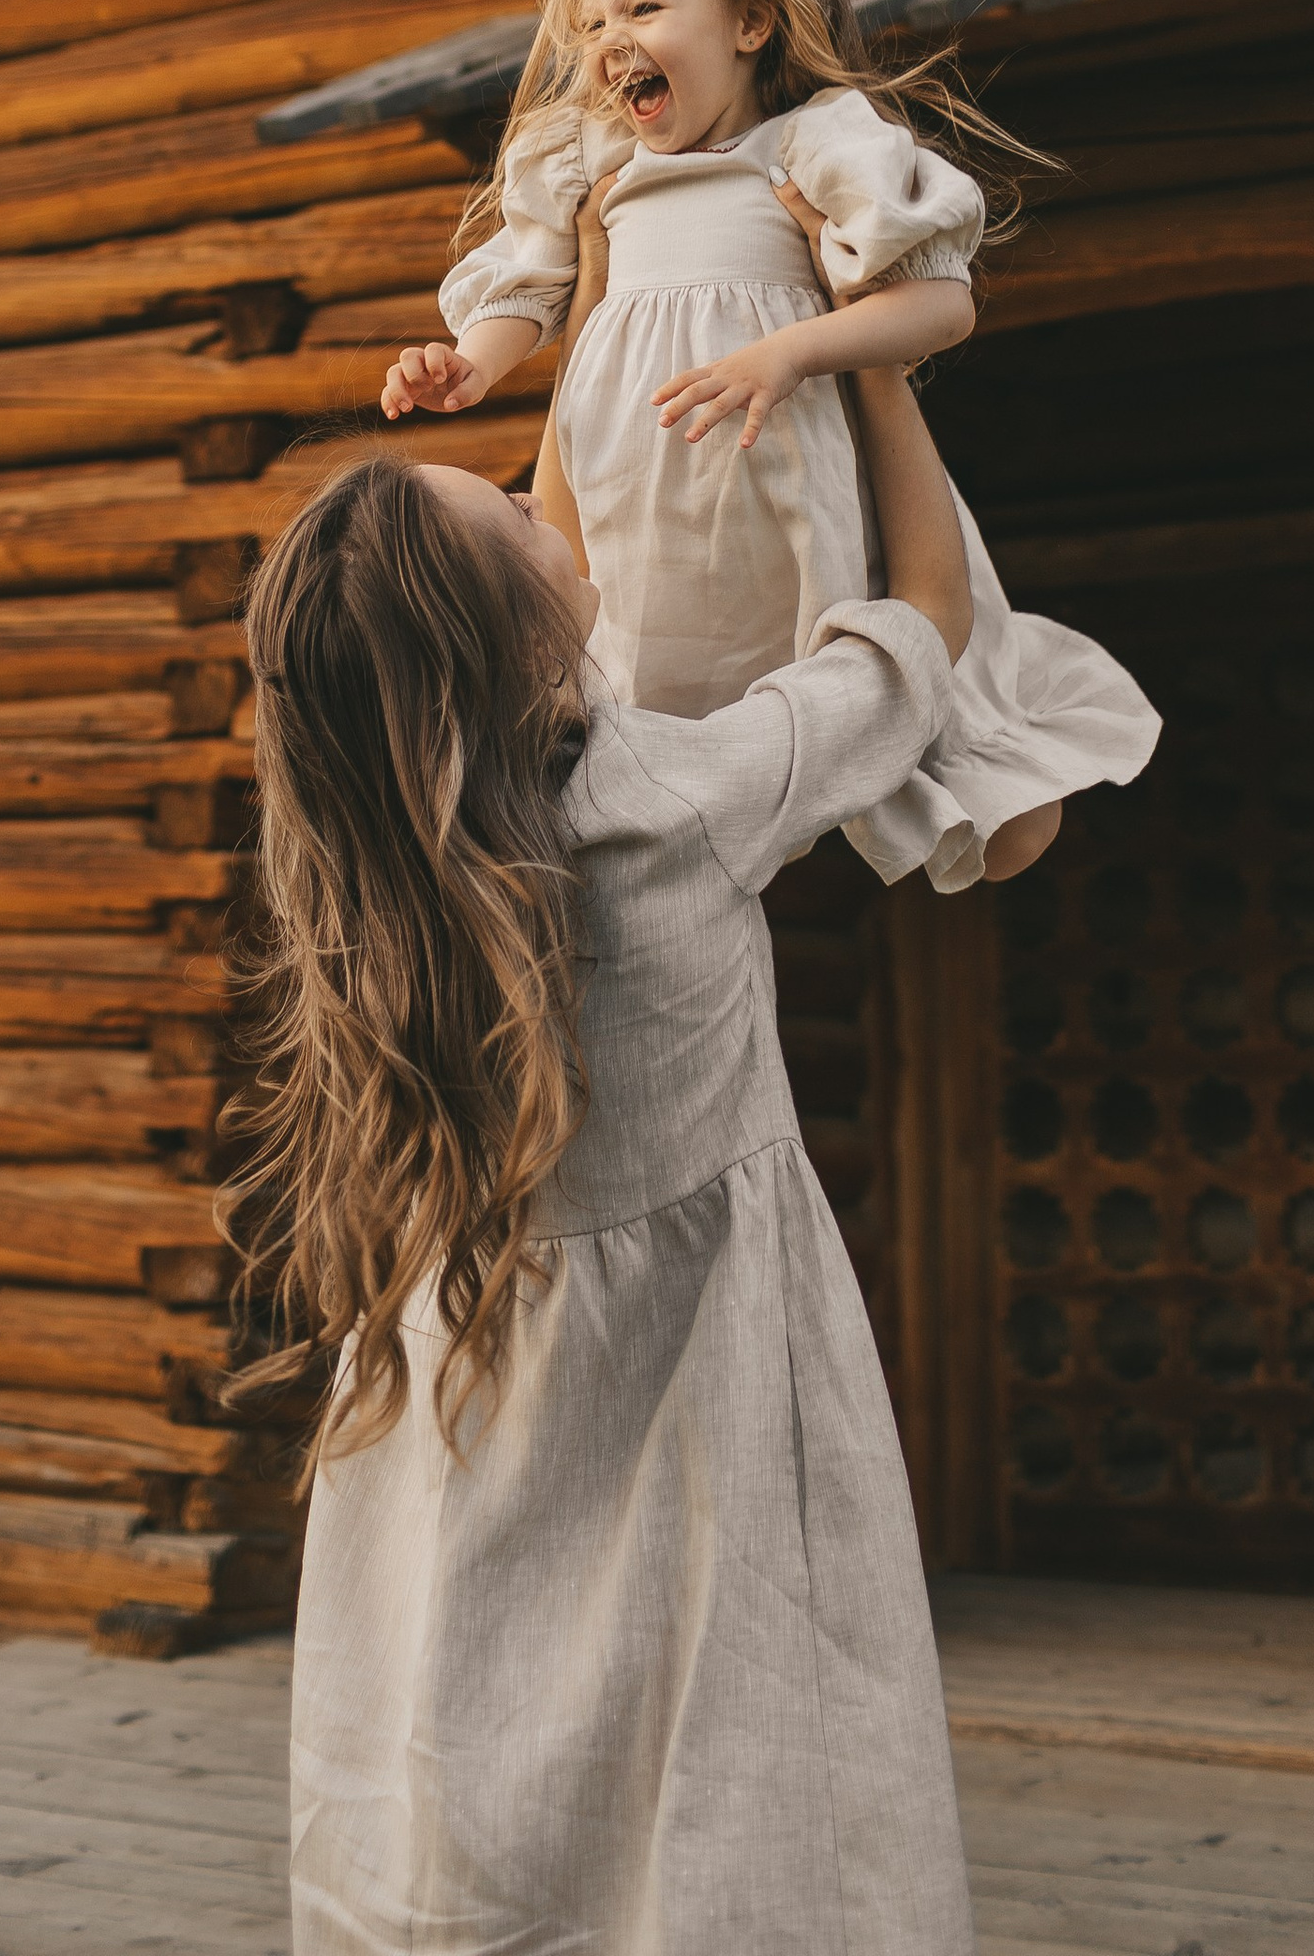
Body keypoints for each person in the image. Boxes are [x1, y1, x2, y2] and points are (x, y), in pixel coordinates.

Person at [231, 367, 988, 1952]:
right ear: (516, 647)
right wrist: (878, 372)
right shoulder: (685, 799)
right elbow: (926, 621)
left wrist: (590, 290)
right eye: (515, 511)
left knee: (475, 1731)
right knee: (733, 1751)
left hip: (475, 1377)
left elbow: (544, 541)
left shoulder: (386, 891)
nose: (543, 495)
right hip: (703, 1379)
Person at [383, 0, 1156, 888]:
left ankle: (914, 769)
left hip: (799, 496)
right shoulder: (592, 164)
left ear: (750, 22)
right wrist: (470, 368)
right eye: (591, 24)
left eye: (642, 9)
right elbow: (530, 287)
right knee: (646, 742)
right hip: (643, 519)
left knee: (998, 813)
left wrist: (789, 352)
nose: (609, 43)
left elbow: (942, 303)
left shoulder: (816, 145)